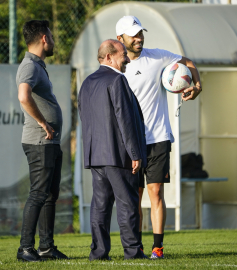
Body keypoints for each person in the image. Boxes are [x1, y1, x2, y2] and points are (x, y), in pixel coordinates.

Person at [116, 15, 202, 259]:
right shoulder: (116, 68)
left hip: (158, 138)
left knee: (155, 193)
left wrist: (197, 86)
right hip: (130, 143)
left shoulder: (158, 56)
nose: (139, 38)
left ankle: (158, 248)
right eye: (133, 34)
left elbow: (188, 62)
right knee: (136, 197)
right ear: (120, 38)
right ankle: (137, 246)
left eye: (140, 33)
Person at [78, 39, 147, 261]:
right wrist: (135, 153)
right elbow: (125, 120)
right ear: (108, 57)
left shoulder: (87, 83)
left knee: (100, 207)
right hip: (118, 155)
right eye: (122, 55)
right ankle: (133, 252)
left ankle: (98, 253)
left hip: (96, 155)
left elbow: (85, 119)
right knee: (127, 205)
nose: (126, 58)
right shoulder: (117, 80)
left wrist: (90, 152)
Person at [16, 20, 68, 262]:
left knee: (49, 195)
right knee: (39, 193)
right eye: (51, 36)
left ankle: (46, 248)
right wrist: (42, 123)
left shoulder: (38, 65)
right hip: (40, 141)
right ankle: (25, 249)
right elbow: (23, 96)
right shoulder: (29, 65)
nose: (53, 40)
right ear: (44, 39)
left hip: (51, 142)